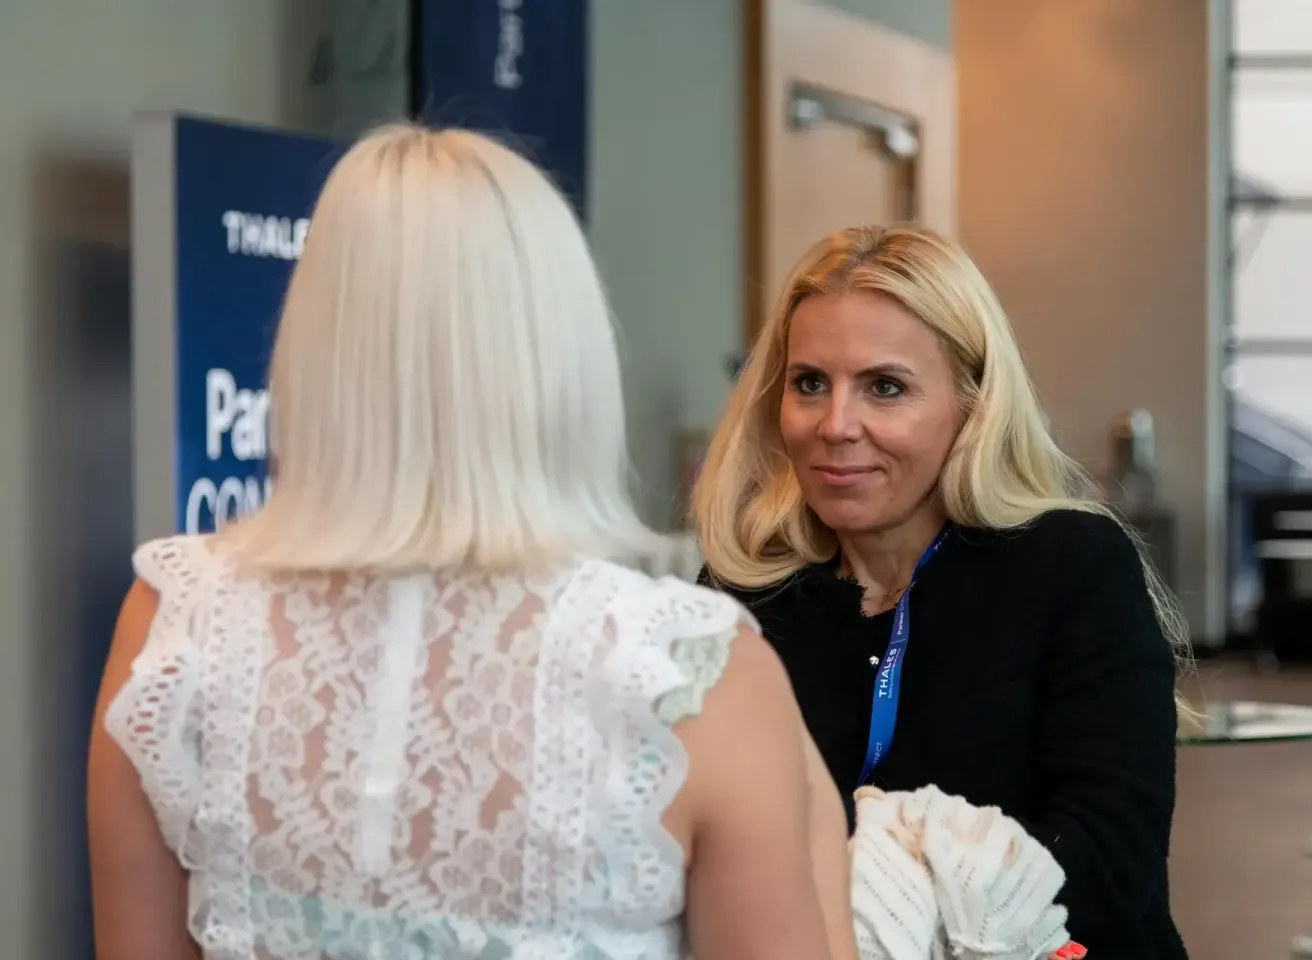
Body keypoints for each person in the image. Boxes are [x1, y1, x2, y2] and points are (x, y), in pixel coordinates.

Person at [87, 124, 858, 960]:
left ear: (312, 340)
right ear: (563, 350)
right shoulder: (688, 672)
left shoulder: (176, 623)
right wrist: (820, 828)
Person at [692, 224, 1190, 959]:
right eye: (810, 384)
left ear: (971, 403)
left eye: (885, 387)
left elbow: (1108, 858)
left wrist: (882, 911)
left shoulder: (1071, 567)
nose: (836, 425)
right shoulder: (744, 596)